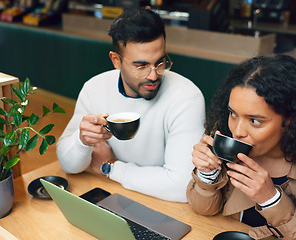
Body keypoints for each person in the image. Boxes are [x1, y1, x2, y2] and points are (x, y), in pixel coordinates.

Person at [186, 55, 296, 239]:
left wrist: (271, 199)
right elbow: (203, 209)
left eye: (255, 120)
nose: (237, 130)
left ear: (290, 119)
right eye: (233, 113)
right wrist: (207, 174)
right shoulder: (225, 137)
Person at [56, 8, 205, 202]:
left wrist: (111, 166)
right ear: (116, 60)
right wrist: (81, 141)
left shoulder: (186, 97)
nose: (153, 75)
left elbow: (181, 186)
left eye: (160, 63)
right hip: (109, 193)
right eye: (141, 66)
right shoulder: (95, 88)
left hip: (163, 205)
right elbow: (69, 166)